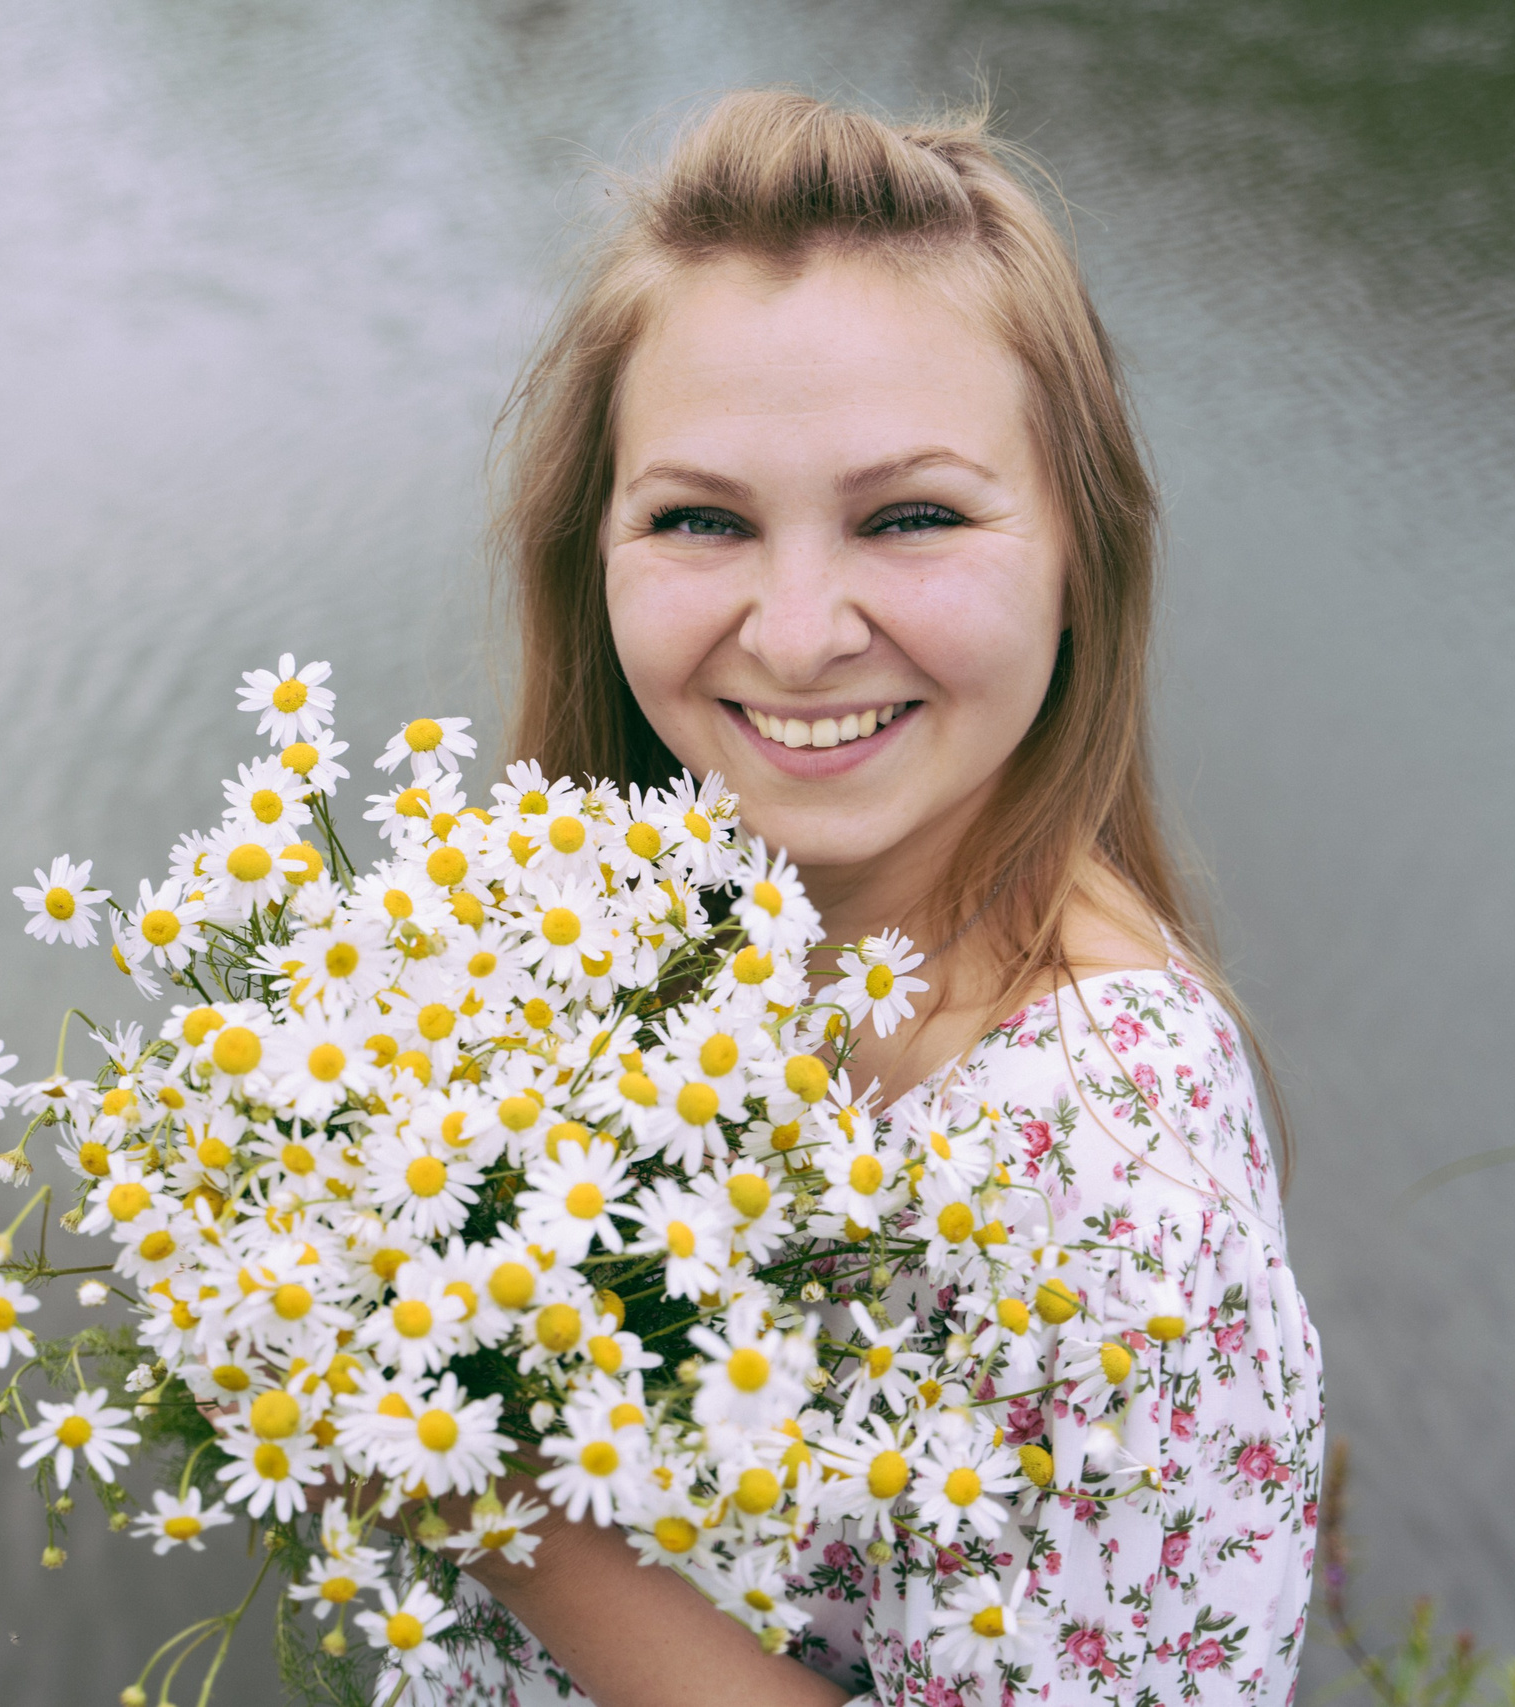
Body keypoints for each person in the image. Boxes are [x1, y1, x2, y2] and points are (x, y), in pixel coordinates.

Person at [434, 90, 1325, 1706]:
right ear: (594, 555)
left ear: (1082, 555)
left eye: (910, 517)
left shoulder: (1103, 1188)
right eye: (699, 519)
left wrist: (466, 1481)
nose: (795, 633)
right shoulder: (618, 948)